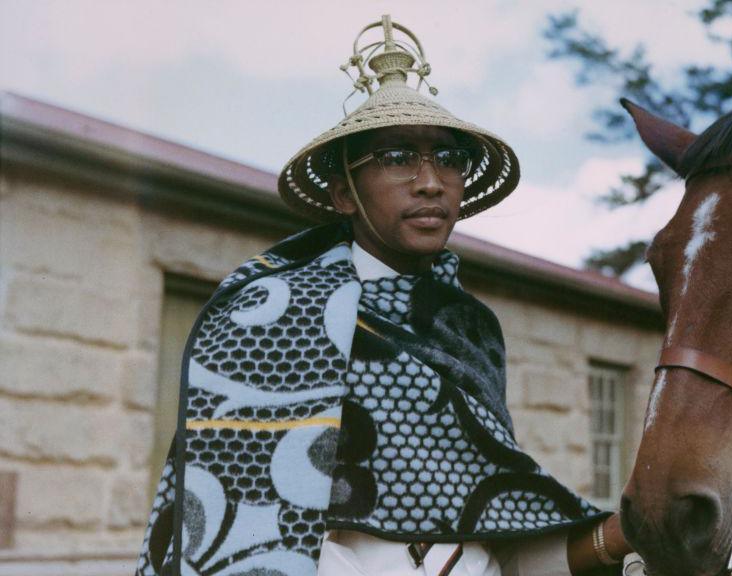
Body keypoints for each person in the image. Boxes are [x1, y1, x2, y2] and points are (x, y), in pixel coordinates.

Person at [136, 15, 633, 576]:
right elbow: (245, 536)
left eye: (450, 158)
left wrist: (624, 535)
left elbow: (498, 533)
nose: (430, 180)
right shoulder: (273, 317)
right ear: (345, 193)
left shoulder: (473, 330)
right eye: (397, 157)